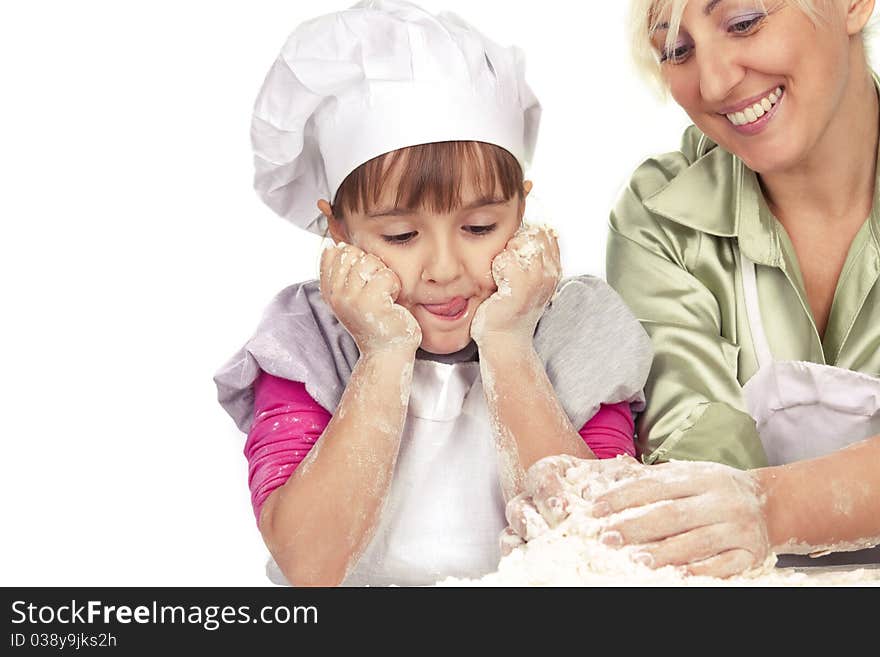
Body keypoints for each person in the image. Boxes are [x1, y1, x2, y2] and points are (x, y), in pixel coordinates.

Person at [213, 0, 653, 587]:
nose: (444, 268)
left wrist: (509, 342)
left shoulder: (576, 325)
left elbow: (597, 547)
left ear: (521, 208)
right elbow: (310, 566)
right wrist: (383, 352)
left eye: (479, 228)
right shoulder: (307, 339)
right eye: (400, 235)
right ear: (338, 230)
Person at [505, 0, 880, 576]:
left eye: (744, 22)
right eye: (677, 50)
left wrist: (769, 508)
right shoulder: (661, 219)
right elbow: (695, 442)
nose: (715, 81)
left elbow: (737, 506)